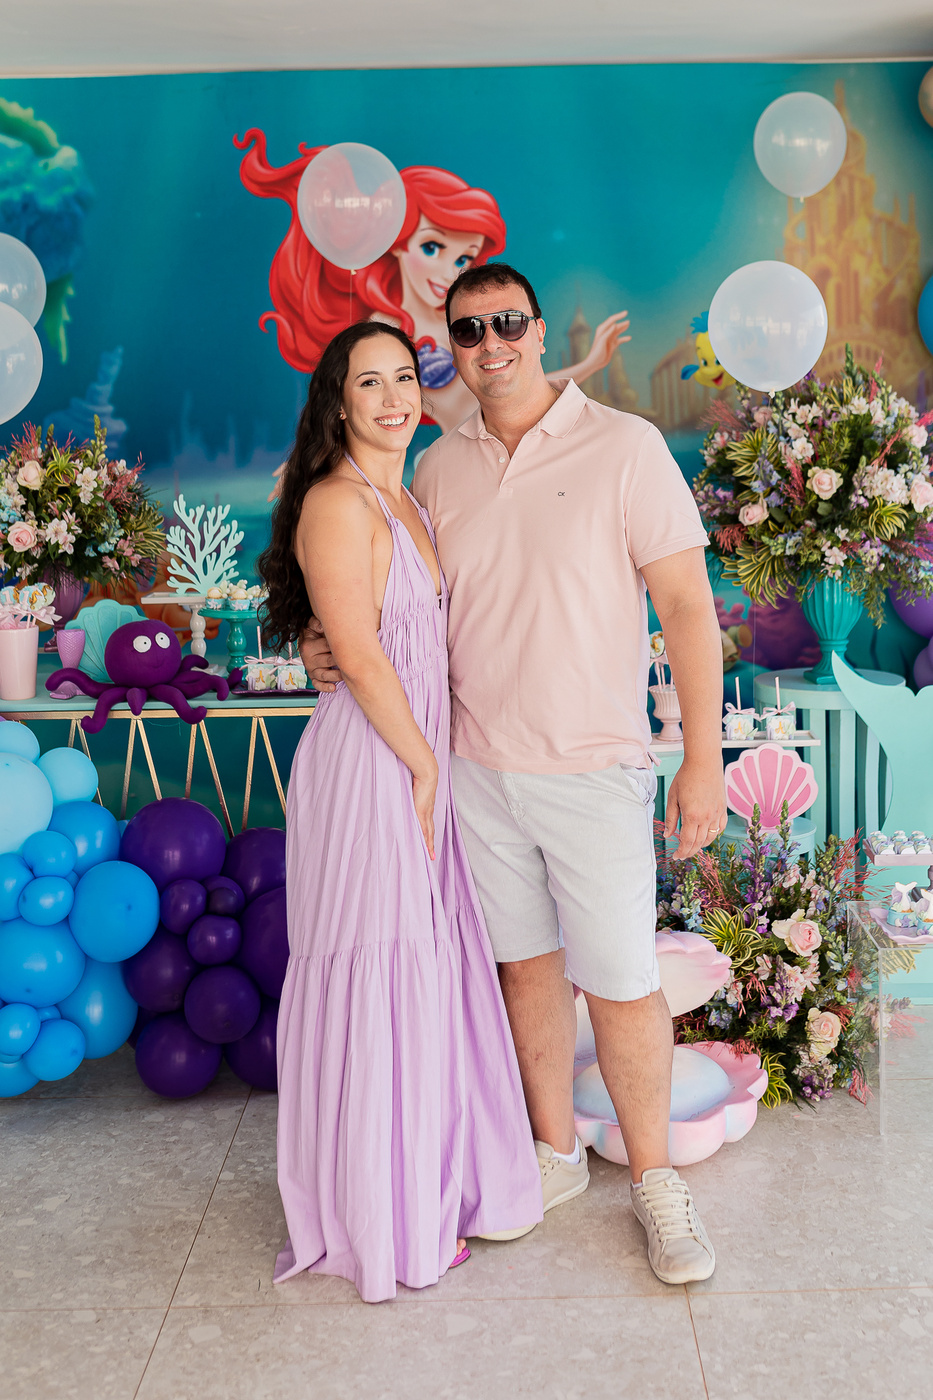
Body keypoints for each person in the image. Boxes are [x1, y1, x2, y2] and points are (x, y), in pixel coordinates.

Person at [303, 264, 728, 1286]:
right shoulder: (435, 469)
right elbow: (390, 601)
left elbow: (687, 605)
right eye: (467, 330)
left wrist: (703, 757)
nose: (489, 343)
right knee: (524, 970)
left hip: (594, 769)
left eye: (506, 324)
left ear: (539, 332)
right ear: (449, 347)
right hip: (474, 772)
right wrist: (327, 647)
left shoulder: (625, 446)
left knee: (621, 981)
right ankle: (553, 1152)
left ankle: (657, 1181)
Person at [259, 320, 543, 1305]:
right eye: (367, 383)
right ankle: (380, 1218)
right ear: (337, 403)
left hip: (418, 758)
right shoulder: (337, 501)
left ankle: (422, 1183)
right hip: (376, 763)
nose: (391, 398)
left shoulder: (408, 497)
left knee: (420, 973)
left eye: (401, 379)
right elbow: (358, 652)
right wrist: (422, 766)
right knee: (381, 971)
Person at [236, 130, 631, 433]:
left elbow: (522, 384)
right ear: (396, 245)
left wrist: (593, 361)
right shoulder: (386, 334)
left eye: (462, 258)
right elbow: (347, 407)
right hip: (456, 460)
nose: (447, 271)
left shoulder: (472, 325)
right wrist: (310, 459)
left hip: (499, 450)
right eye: (431, 248)